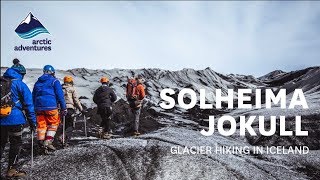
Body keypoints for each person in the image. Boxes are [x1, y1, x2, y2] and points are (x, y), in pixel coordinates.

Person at [0, 66, 36, 178]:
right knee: (15, 143)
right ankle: (12, 170)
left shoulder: (1, 82)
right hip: (15, 119)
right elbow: (29, 105)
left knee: (1, 143)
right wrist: (32, 122)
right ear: (21, 74)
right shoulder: (20, 85)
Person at [32, 65, 67, 152]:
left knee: (41, 125)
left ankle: (41, 141)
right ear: (53, 72)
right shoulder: (54, 81)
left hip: (38, 107)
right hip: (51, 106)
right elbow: (60, 95)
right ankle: (48, 141)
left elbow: (33, 96)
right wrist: (63, 108)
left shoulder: (37, 82)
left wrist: (33, 108)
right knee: (53, 123)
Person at [59, 75, 85, 146]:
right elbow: (76, 100)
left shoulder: (60, 89)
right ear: (71, 81)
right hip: (70, 108)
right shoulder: (72, 89)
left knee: (63, 124)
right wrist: (81, 109)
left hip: (61, 109)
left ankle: (61, 136)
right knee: (70, 125)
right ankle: (65, 139)